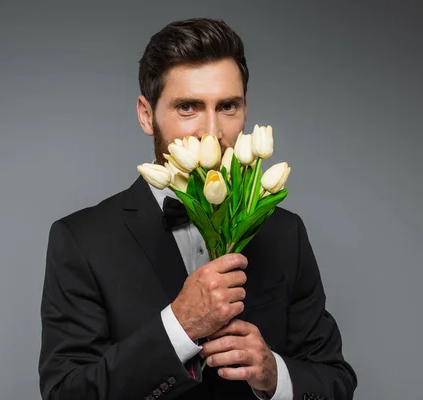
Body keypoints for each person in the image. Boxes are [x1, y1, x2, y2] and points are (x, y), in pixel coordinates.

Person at [38, 18, 357, 400]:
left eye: (227, 106)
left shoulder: (285, 232)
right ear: (146, 114)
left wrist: (275, 375)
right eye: (188, 107)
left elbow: (334, 381)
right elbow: (66, 394)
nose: (212, 131)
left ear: (245, 110)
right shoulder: (81, 240)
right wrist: (179, 327)